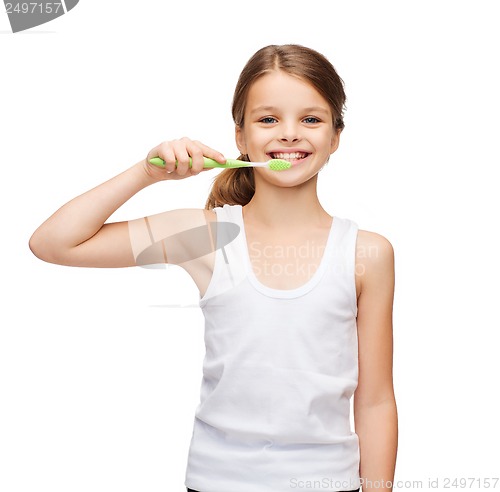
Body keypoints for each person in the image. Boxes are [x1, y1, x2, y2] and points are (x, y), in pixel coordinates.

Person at [29, 44, 398, 492]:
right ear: (240, 137)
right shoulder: (204, 237)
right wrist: (146, 173)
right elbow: (53, 243)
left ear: (335, 136)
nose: (288, 133)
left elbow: (376, 400)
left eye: (311, 119)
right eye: (267, 119)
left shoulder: (367, 253)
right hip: (217, 481)